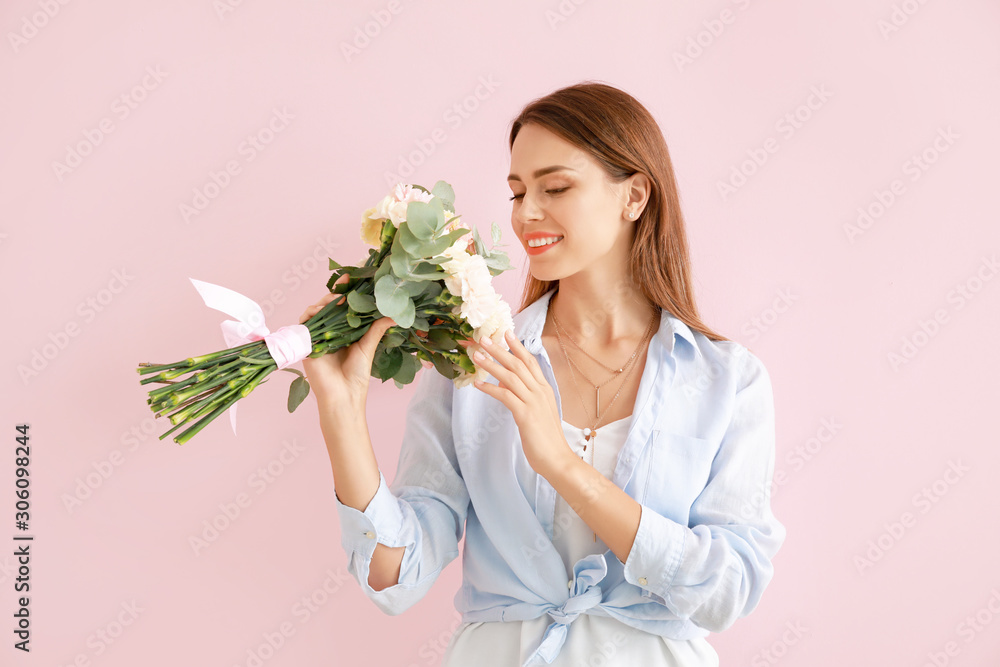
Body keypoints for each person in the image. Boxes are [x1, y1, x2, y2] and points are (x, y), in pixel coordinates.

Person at [298, 81, 786, 667]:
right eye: (517, 191)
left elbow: (727, 590)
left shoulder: (728, 381)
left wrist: (558, 461)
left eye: (555, 187)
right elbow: (397, 577)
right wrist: (341, 412)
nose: (527, 213)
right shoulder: (471, 364)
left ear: (634, 196)